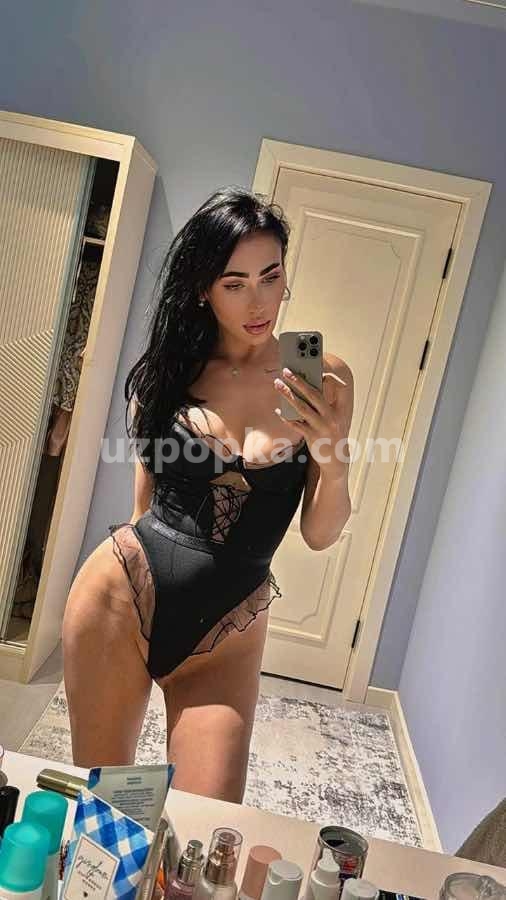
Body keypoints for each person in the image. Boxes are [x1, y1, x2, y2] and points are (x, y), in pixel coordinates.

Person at [62, 186, 354, 802]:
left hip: (227, 631)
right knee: (110, 808)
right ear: (203, 289)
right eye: (234, 283)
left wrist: (332, 455)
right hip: (118, 600)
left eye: (271, 276)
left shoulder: (320, 375)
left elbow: (320, 534)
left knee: (207, 821)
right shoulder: (172, 371)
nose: (259, 301)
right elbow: (143, 509)